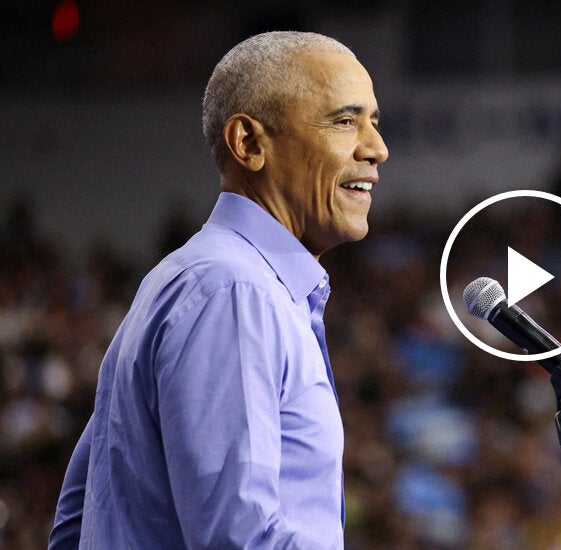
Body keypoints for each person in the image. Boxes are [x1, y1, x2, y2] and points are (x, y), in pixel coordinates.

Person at [48, 30, 388, 549]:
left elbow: (78, 520)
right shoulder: (233, 293)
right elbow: (239, 538)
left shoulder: (195, 280)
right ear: (249, 143)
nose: (376, 148)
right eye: (345, 121)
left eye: (373, 122)